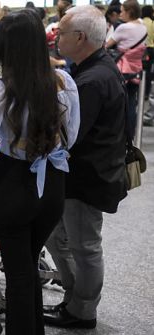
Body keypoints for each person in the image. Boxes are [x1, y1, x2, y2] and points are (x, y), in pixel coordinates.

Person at [0, 9, 80, 334]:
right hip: (53, 183)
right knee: (26, 267)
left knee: (20, 273)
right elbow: (73, 134)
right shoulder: (63, 81)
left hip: (13, 185)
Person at [43, 6, 128, 329]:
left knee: (84, 246)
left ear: (79, 37)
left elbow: (69, 134)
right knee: (61, 237)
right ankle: (75, 298)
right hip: (87, 172)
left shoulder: (92, 80)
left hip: (86, 176)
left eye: (60, 32)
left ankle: (82, 310)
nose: (55, 36)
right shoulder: (95, 66)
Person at [105, 0, 146, 141]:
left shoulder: (123, 28)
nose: (120, 13)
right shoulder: (143, 27)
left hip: (122, 70)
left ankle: (119, 134)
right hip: (136, 70)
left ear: (130, 11)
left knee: (118, 103)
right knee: (132, 102)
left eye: (122, 10)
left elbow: (107, 45)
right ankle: (131, 134)